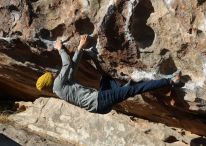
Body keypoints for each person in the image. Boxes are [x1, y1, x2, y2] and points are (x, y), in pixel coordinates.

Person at [36, 35, 181, 114]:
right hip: (101, 100)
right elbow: (67, 64)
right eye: (52, 75)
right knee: (134, 90)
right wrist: (60, 48)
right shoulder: (58, 83)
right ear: (51, 79)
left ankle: (122, 88)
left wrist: (81, 48)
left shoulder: (59, 89)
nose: (55, 74)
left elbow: (72, 67)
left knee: (106, 77)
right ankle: (170, 82)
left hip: (99, 105)